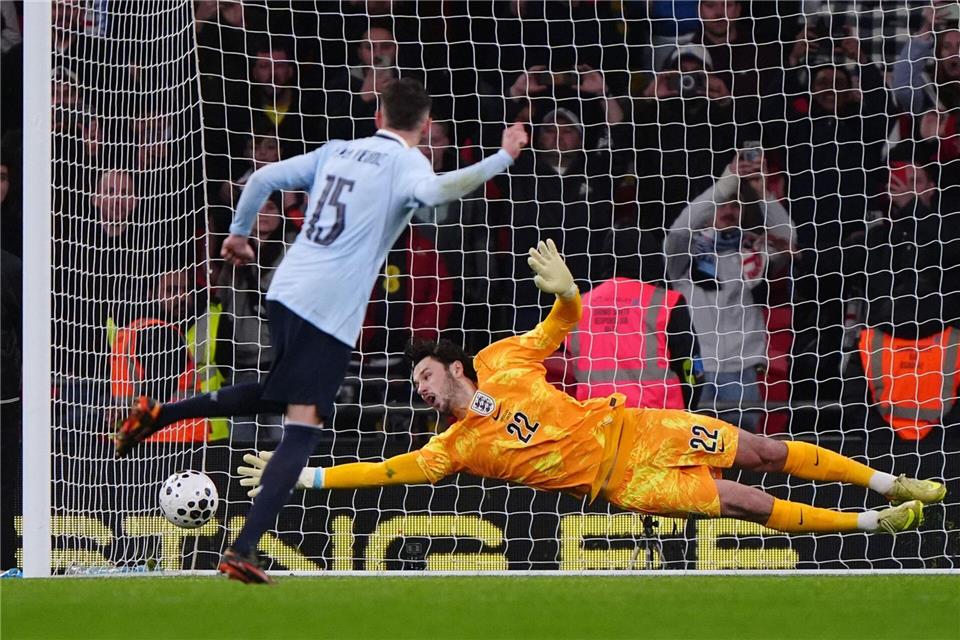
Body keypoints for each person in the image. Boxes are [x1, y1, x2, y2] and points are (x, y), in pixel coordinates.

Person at [238, 240, 946, 555]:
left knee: (761, 450)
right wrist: (301, 473)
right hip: (626, 481)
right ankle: (870, 526)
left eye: (423, 374)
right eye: (416, 385)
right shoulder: (451, 449)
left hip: (642, 429)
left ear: (453, 367)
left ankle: (891, 479)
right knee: (747, 503)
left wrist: (569, 292)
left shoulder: (501, 360)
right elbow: (379, 474)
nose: (419, 388)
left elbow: (561, 324)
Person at [113, 78, 529, 583]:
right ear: (422, 126)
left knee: (274, 393)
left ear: (378, 117)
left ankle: (159, 413)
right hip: (329, 309)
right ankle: (243, 549)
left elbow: (263, 178)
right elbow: (439, 191)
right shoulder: (409, 163)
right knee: (304, 426)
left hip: (285, 290)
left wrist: (239, 235)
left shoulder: (339, 150)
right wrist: (503, 156)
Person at [665, 150, 795, 431]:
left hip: (741, 369)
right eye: (721, 204)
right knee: (691, 450)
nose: (727, 210)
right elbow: (678, 231)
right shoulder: (683, 257)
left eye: (735, 206)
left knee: (745, 453)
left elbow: (788, 239)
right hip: (696, 369)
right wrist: (726, 183)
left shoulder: (751, 253)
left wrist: (763, 193)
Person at [567, 227, 702, 411]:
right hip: (656, 422)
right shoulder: (666, 302)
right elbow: (690, 367)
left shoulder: (580, 305)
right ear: (651, 256)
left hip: (594, 421)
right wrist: (686, 411)